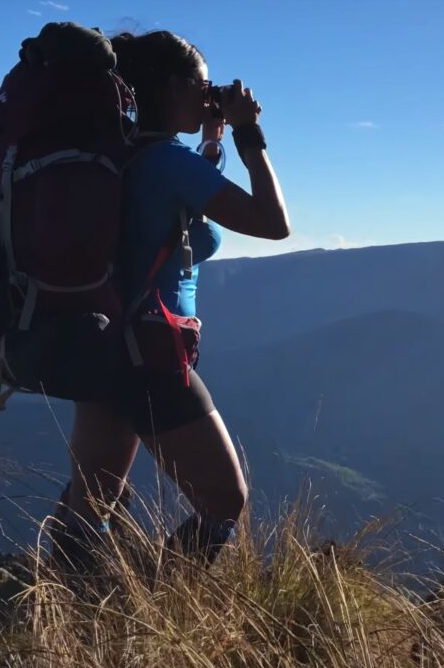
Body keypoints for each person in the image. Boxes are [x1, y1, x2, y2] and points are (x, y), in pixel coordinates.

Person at [51, 29, 290, 571]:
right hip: (150, 354)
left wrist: (213, 137)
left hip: (103, 345)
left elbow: (179, 202)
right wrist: (251, 134)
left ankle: (57, 616)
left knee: (90, 509)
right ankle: (162, 613)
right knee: (224, 501)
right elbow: (274, 225)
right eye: (204, 87)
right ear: (174, 86)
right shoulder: (167, 164)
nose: (211, 97)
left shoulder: (129, 156)